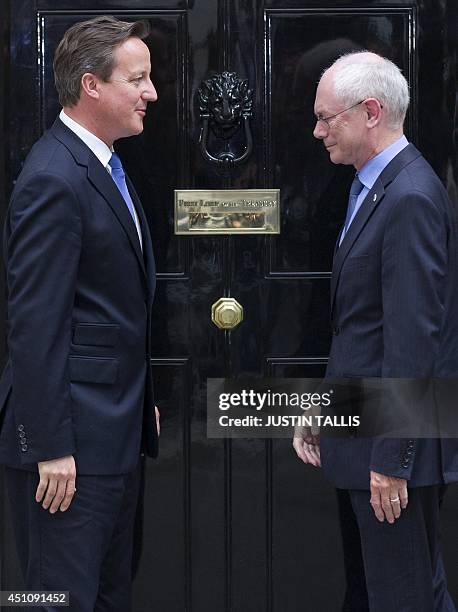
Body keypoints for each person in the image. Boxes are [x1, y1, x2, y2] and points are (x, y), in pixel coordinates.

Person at [0, 15, 159, 611]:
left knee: (109, 595)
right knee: (57, 599)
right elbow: (35, 325)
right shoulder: (53, 177)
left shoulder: (105, 165)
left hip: (111, 435)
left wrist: (144, 401)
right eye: (138, 79)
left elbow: (108, 306)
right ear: (92, 85)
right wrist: (51, 446)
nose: (151, 92)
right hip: (66, 453)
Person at [293, 51, 458, 611]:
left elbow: (413, 341)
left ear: (370, 111)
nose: (317, 132)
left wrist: (392, 460)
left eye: (325, 118)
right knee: (382, 593)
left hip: (389, 450)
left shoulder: (409, 197)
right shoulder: (371, 187)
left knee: (405, 597)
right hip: (362, 431)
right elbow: (360, 328)